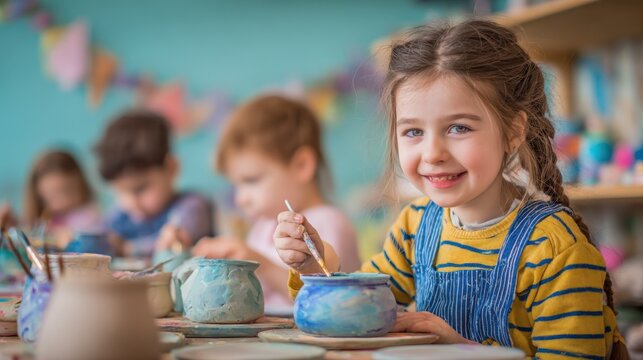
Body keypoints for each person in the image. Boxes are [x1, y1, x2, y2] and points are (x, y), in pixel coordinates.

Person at [275, 20, 627, 359]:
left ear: (513, 131)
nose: (432, 154)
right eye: (413, 132)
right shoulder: (415, 228)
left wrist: (460, 348)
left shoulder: (554, 249)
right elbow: (360, 310)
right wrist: (312, 263)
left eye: (458, 128)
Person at [193, 95, 360, 309]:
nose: (240, 198)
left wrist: (255, 261)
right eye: (236, 185)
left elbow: (322, 300)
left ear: (301, 165)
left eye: (251, 180)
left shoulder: (328, 222)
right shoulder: (263, 226)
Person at [94, 110, 214, 258]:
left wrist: (127, 249)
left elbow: (175, 242)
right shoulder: (120, 216)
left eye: (140, 189)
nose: (132, 202)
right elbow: (101, 240)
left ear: (171, 168)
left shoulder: (192, 207)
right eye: (120, 191)